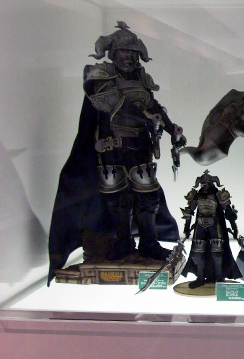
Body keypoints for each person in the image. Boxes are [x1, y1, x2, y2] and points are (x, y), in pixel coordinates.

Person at [48, 22, 183, 282]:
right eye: (124, 52)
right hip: (111, 145)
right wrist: (148, 116)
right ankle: (122, 242)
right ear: (113, 53)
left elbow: (153, 105)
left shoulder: (141, 78)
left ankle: (149, 243)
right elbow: (116, 106)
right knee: (117, 198)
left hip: (140, 145)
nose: (129, 57)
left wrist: (170, 127)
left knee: (148, 196)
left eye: (133, 52)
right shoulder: (100, 75)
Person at [181, 170, 242, 288]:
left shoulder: (218, 195)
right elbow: (189, 212)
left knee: (217, 252)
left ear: (213, 184)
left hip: (215, 225)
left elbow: (228, 211)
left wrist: (234, 228)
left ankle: (219, 278)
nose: (205, 186)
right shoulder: (196, 195)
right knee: (197, 252)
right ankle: (200, 278)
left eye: (207, 184)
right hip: (200, 225)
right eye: (203, 184)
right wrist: (186, 228)